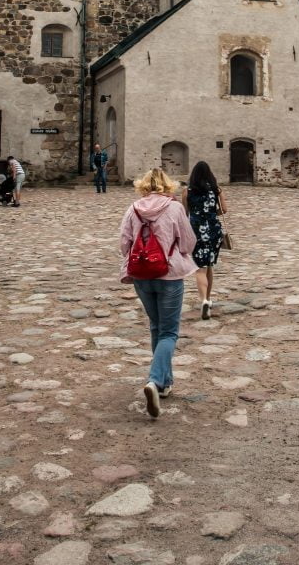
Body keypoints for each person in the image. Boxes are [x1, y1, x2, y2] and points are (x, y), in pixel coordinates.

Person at [119, 167, 197, 418]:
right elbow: (187, 242)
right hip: (169, 274)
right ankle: (154, 380)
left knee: (156, 326)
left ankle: (164, 383)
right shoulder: (174, 208)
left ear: (143, 186)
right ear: (168, 186)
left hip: (141, 274)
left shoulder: (134, 208)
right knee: (169, 331)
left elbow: (124, 244)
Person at [182, 161, 227, 320]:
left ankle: (204, 300)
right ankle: (208, 297)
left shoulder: (187, 191)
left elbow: (185, 212)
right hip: (214, 230)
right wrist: (211, 214)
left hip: (196, 231)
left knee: (200, 268)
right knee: (210, 264)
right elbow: (225, 209)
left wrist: (197, 214)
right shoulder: (216, 190)